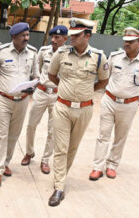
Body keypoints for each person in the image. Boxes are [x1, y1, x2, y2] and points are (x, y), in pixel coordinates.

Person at [47, 18, 110, 206]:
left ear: (87, 36)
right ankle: (59, 187)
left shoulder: (99, 57)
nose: (71, 38)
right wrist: (65, 89)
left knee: (72, 148)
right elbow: (52, 75)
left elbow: (103, 81)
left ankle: (61, 176)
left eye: (76, 35)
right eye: (71, 34)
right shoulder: (61, 53)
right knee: (61, 148)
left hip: (84, 109)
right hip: (62, 107)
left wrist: (86, 93)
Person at [89, 27, 139, 180]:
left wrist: (132, 94)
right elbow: (105, 76)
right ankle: (97, 167)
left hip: (129, 105)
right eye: (125, 41)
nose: (126, 44)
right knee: (103, 135)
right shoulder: (114, 57)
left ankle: (112, 166)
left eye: (131, 42)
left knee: (120, 137)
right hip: (109, 100)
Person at [0, 22, 39, 187]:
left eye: (28, 35)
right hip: (3, 99)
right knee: (1, 134)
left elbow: (36, 75)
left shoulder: (33, 53)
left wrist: (33, 85)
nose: (27, 38)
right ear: (14, 36)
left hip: (22, 101)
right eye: (23, 35)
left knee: (14, 135)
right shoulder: (2, 51)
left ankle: (6, 162)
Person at [21, 25, 68, 175]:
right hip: (41, 92)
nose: (53, 40)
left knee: (53, 130)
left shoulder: (68, 55)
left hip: (57, 95)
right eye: (52, 37)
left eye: (57, 38)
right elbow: (39, 69)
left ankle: (45, 160)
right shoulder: (43, 51)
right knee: (31, 125)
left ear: (65, 39)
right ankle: (29, 152)